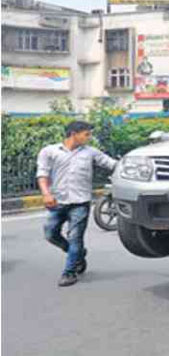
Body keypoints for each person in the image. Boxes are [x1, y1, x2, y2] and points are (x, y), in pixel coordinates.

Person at [37, 121, 118, 287]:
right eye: (86, 134)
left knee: (75, 238)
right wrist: (46, 194)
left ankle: (69, 272)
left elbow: (111, 164)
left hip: (80, 202)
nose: (89, 137)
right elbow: (42, 174)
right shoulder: (49, 151)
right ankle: (78, 254)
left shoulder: (91, 153)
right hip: (57, 201)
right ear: (74, 133)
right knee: (50, 234)